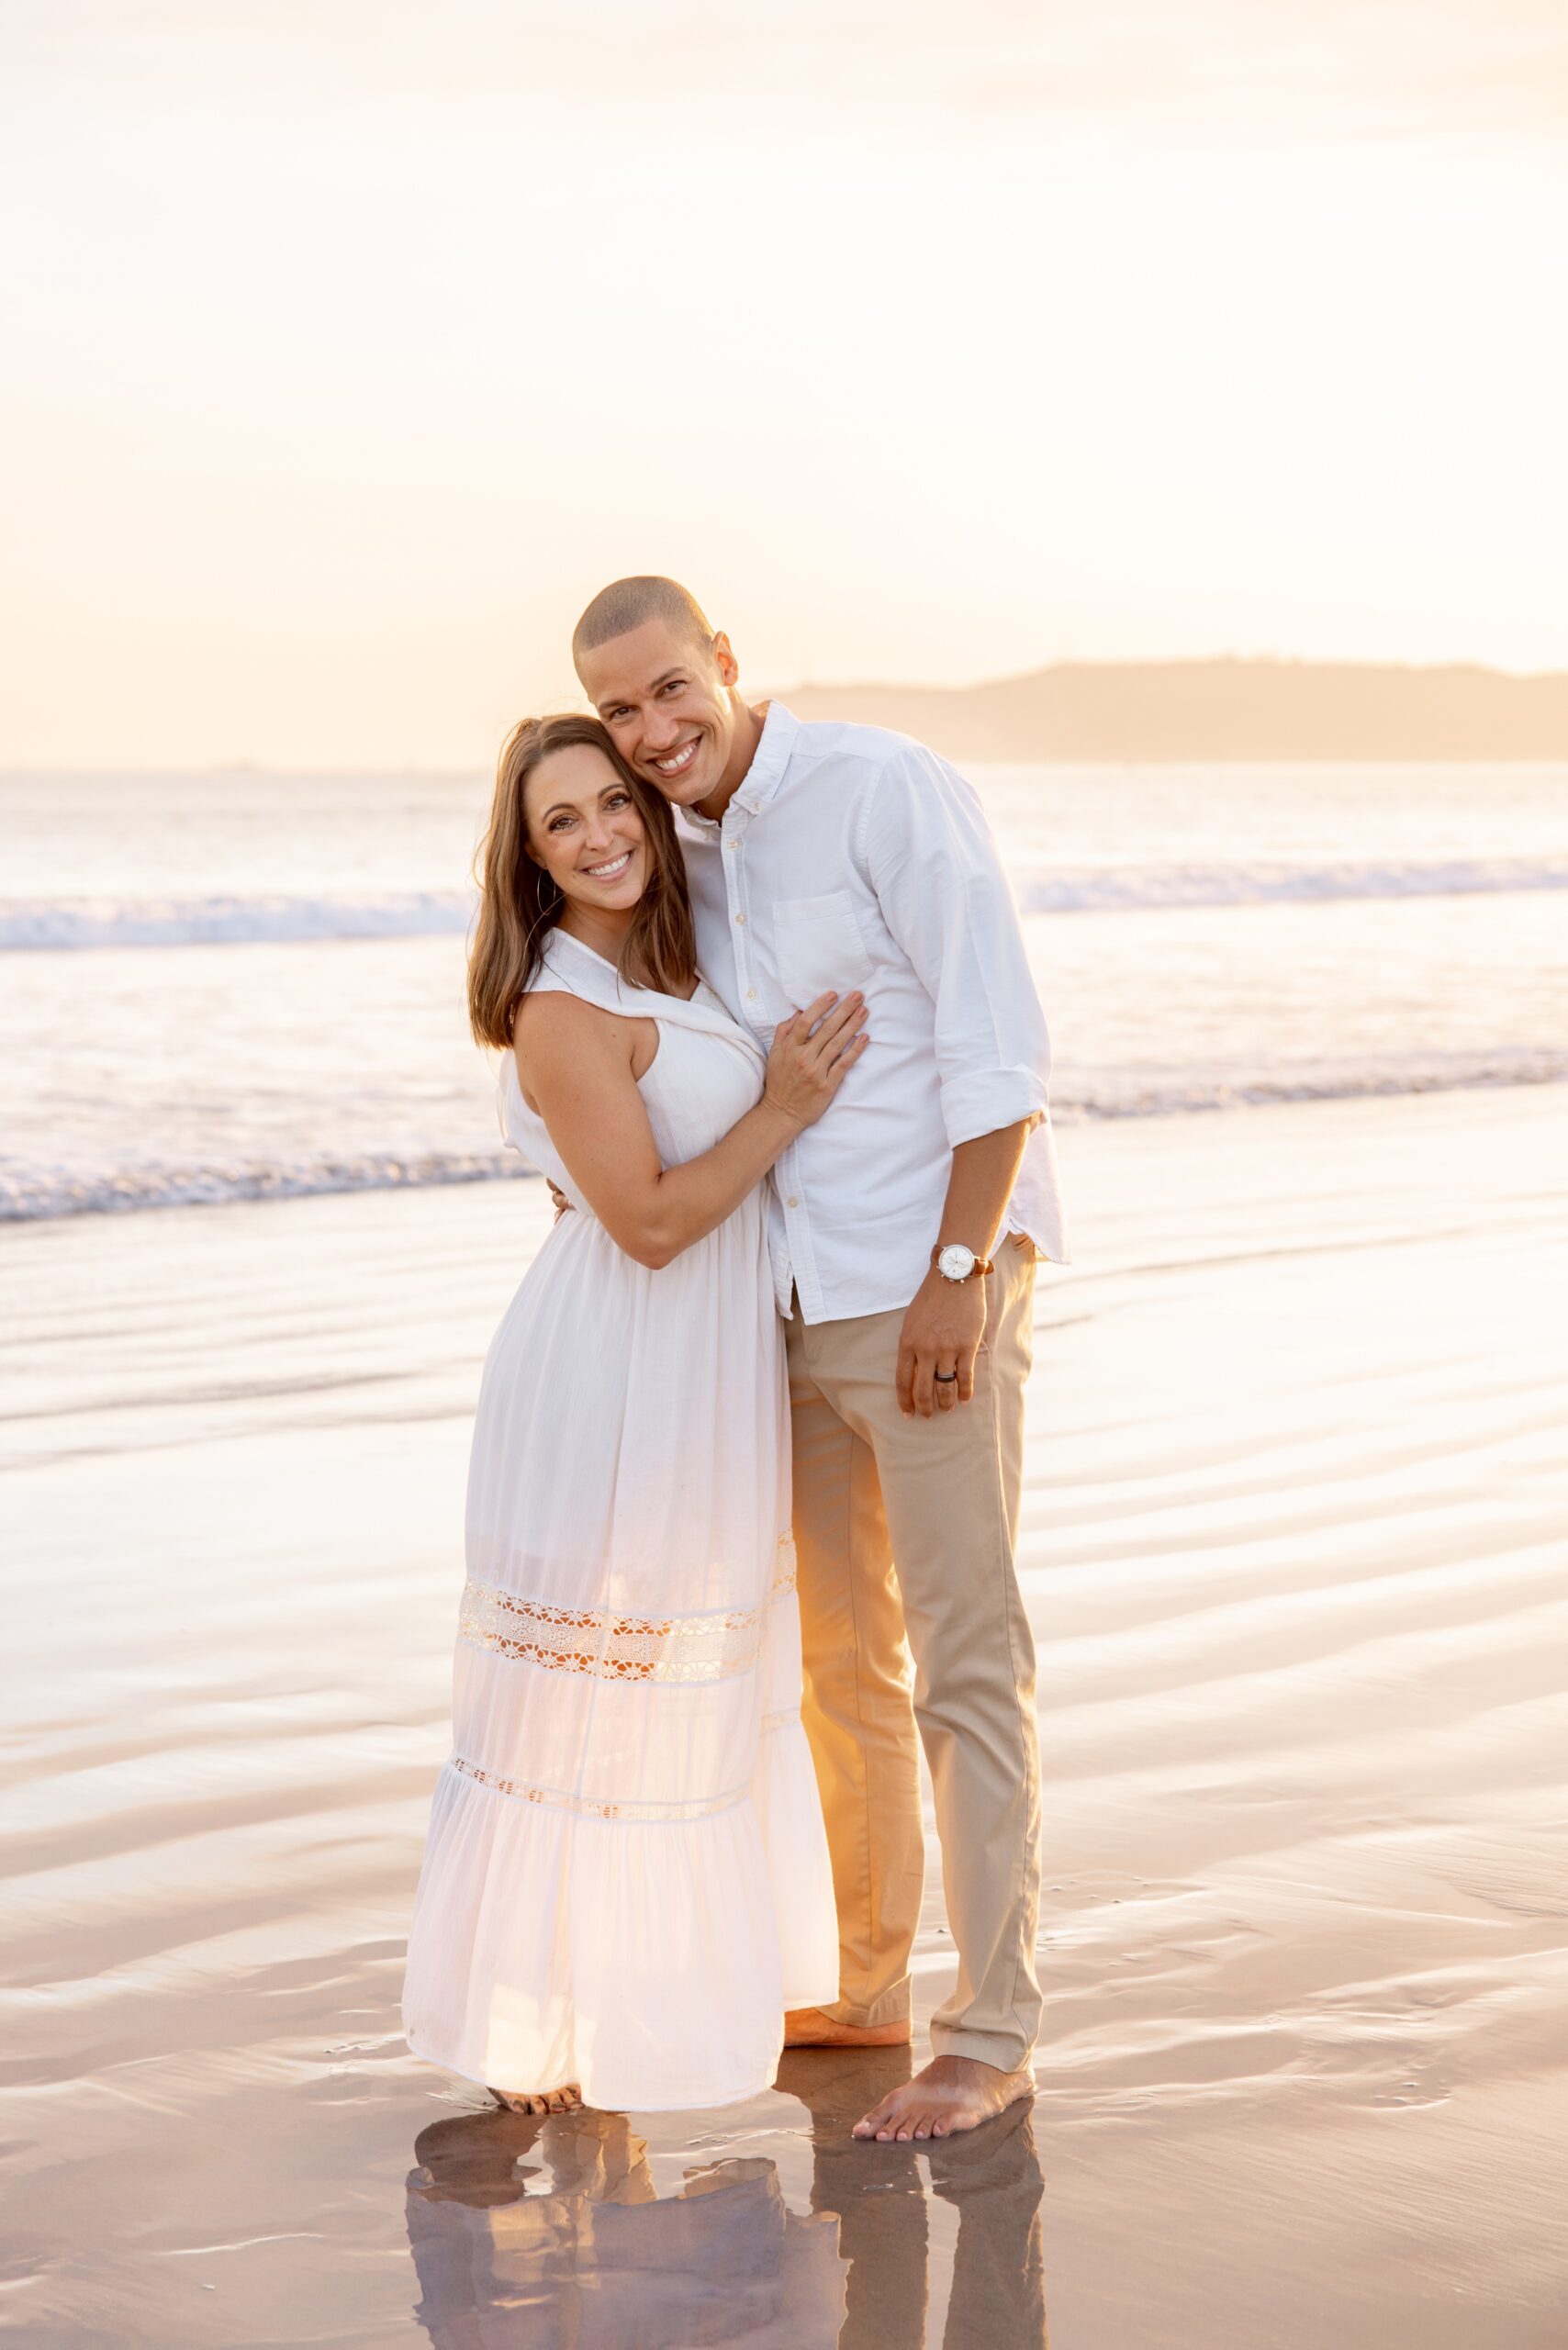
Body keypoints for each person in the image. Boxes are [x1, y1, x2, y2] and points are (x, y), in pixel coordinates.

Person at [573, 580, 1070, 2143]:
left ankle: (993, 2030)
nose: (654, 736)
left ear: (725, 662)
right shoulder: (685, 858)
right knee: (841, 1669)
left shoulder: (882, 784)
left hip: (925, 1280)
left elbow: (1001, 1046)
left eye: (670, 692)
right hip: (783, 1303)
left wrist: (957, 1276)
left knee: (965, 1660)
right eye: (621, 715)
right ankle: (869, 1988)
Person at [401, 712, 863, 2114]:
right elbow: (652, 1224)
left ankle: (627, 2006)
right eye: (563, 822)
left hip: (699, 1374)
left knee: (675, 1688)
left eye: (615, 802)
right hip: (611, 1375)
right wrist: (781, 1106)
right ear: (528, 860)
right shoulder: (560, 1006)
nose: (603, 832)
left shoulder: (663, 969)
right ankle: (529, 2036)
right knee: (578, 1699)